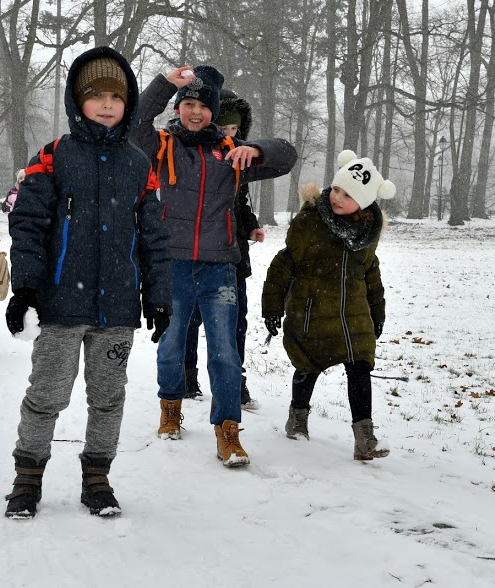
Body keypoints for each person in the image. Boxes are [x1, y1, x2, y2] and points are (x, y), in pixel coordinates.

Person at [3, 46, 171, 518]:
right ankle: (27, 478)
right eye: (94, 94)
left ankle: (97, 477)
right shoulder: (53, 156)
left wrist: (159, 296)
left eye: (115, 96)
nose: (105, 103)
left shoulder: (139, 164)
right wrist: (27, 287)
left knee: (108, 398)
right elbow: (29, 224)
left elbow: (154, 236)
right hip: (60, 306)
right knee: (47, 395)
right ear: (77, 100)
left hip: (116, 308)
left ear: (128, 102)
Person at [129, 64, 297, 467]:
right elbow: (134, 121)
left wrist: (256, 150)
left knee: (224, 352)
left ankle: (228, 432)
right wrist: (166, 84)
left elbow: (286, 156)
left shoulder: (229, 151)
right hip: (173, 264)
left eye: (203, 107)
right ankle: (170, 405)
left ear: (214, 112)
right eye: (188, 104)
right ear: (179, 107)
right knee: (170, 346)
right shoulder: (162, 145)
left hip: (219, 266)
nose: (195, 112)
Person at [262, 150, 394, 460]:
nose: (337, 197)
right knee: (307, 366)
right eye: (336, 188)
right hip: (311, 311)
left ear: (362, 203)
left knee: (360, 368)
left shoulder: (367, 231)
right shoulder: (310, 222)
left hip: (353, 315)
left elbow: (370, 272)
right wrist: (272, 308)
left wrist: (377, 313)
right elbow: (284, 266)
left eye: (348, 194)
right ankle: (297, 417)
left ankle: (364, 438)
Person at [183, 89, 263, 411]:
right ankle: (187, 376)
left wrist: (252, 224)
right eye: (226, 128)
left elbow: (239, 203)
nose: (231, 135)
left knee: (236, 320)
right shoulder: (194, 157)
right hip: (197, 252)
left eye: (236, 130)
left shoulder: (239, 158)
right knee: (191, 318)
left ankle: (234, 382)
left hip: (233, 254)